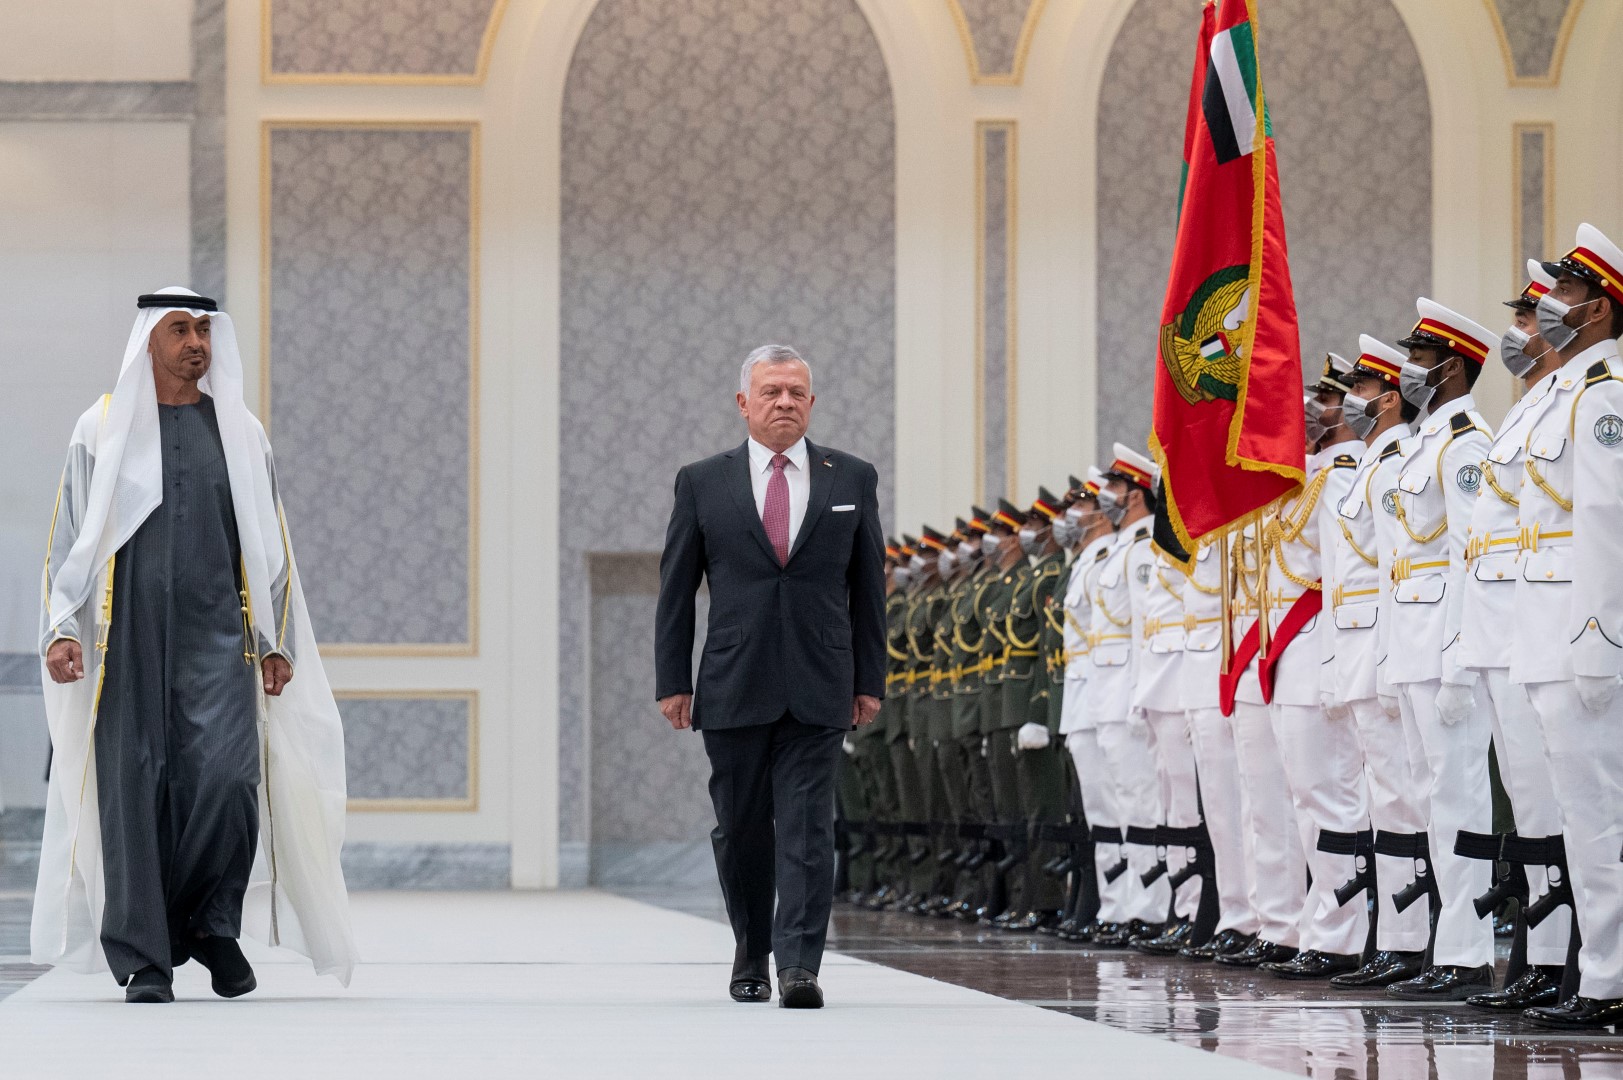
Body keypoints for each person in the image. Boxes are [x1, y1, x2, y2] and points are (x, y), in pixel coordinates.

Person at [35, 288, 354, 1004]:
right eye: (179, 329)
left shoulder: (240, 430)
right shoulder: (102, 425)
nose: (195, 343)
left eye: (204, 330)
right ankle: (145, 956)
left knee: (229, 781)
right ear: (148, 339)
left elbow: (273, 545)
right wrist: (61, 627)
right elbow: (69, 533)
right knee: (132, 793)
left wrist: (277, 642)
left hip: (219, 635)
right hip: (127, 641)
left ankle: (210, 925)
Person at [654, 343, 886, 1009]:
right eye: (770, 392)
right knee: (742, 829)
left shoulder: (852, 478)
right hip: (731, 684)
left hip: (820, 683)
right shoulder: (702, 481)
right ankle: (750, 952)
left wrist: (869, 677)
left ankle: (800, 966)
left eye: (795, 393)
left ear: (811, 403)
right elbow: (675, 589)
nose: (783, 402)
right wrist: (674, 679)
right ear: (743, 403)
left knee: (809, 827)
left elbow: (868, 589)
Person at [1513, 225, 1623, 1030]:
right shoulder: (1556, 393)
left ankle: (1607, 979)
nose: (1551, 307)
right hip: (1542, 635)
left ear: (1600, 309)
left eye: (1568, 294)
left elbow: (1605, 523)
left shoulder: (1603, 396)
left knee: (1599, 818)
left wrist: (1596, 638)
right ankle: (1593, 971)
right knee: (1576, 818)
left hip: (1580, 636)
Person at [1383, 298, 1499, 1001]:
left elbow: (1467, 556)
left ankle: (1466, 950)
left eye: (1419, 360)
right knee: (1432, 800)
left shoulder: (1464, 443)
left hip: (1443, 647)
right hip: (1410, 642)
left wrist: (1459, 661)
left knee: (1458, 798)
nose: (1406, 370)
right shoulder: (1424, 442)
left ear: (1450, 368)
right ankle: (1444, 941)